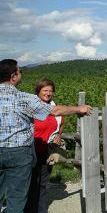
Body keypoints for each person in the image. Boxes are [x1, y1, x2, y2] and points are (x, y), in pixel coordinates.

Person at [0, 59, 92, 213]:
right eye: (19, 71)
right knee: (17, 198)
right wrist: (78, 108)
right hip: (19, 153)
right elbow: (54, 111)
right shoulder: (24, 98)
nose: (20, 74)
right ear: (13, 76)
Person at [24, 79, 65, 213]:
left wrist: (58, 135)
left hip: (47, 151)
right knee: (30, 183)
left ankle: (41, 209)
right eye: (45, 90)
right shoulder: (31, 106)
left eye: (50, 91)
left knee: (42, 183)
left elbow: (62, 122)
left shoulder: (54, 107)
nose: (48, 93)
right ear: (38, 91)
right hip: (31, 150)